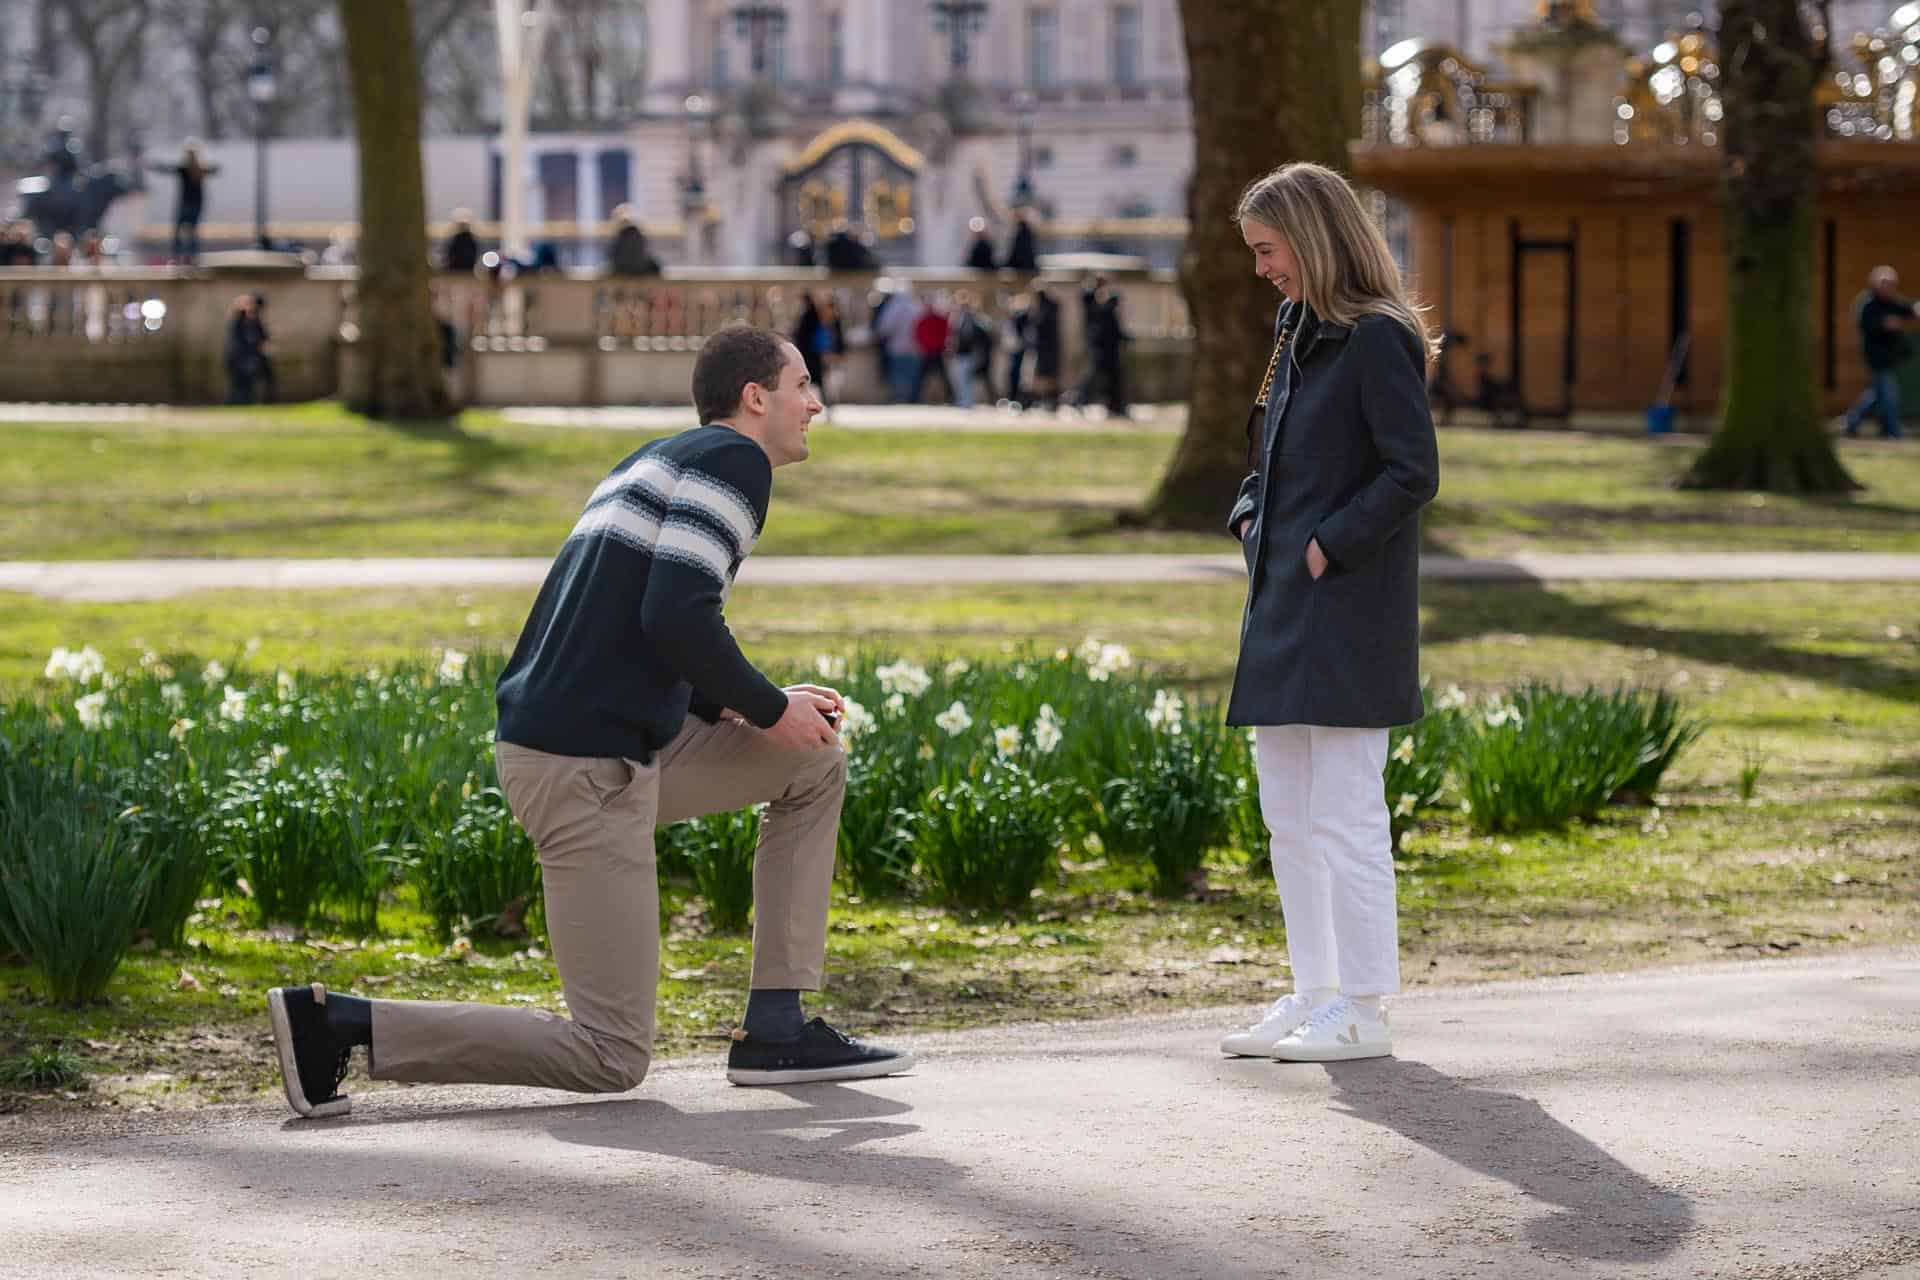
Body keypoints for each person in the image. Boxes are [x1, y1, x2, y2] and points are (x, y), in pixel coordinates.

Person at [264, 324, 914, 1119]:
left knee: (813, 761)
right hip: (583, 765)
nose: (814, 404)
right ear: (755, 397)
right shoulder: (734, 462)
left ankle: (778, 1023)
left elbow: (642, 627)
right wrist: (769, 709)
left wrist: (753, 705)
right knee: (610, 1053)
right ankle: (340, 1026)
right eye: (802, 385)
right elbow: (676, 614)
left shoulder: (655, 460)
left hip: (598, 746)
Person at [1218, 161, 1439, 1065]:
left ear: (1311, 238)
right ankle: (1315, 993)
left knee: (1347, 814)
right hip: (1282, 603)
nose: (1261, 269)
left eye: (1268, 249)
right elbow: (1270, 454)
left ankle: (1365, 1006)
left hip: (1347, 610)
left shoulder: (1377, 336)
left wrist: (1328, 546)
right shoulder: (1294, 328)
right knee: (1288, 815)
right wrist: (1249, 514)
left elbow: (1411, 470)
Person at [1843, 266, 1917, 441]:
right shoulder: (1868, 303)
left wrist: (1915, 308)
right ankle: (1894, 432)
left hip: (1889, 357)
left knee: (1876, 394)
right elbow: (1864, 323)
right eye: (1886, 284)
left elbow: (1908, 308)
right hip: (1875, 357)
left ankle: (1851, 423)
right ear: (1876, 284)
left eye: (1892, 284)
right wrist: (1884, 324)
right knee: (1888, 394)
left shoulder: (1892, 302)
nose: (1889, 287)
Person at [152, 142, 219, 265]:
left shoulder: (185, 169)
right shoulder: (200, 169)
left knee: (179, 233)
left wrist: (154, 165)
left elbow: (167, 169)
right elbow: (215, 169)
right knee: (192, 233)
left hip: (186, 205)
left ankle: (178, 258)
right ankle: (192, 259)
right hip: (196, 204)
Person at [948, 290, 994, 408]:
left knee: (966, 379)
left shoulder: (971, 319)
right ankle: (964, 400)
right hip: (962, 354)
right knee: (960, 380)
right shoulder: (959, 318)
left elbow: (970, 337)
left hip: (967, 353)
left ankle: (967, 402)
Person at [224, 294, 263, 404]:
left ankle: (246, 401)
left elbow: (261, 337)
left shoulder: (254, 321)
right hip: (237, 358)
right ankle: (235, 402)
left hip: (249, 358)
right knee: (238, 385)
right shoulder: (238, 321)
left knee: (248, 384)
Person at [608, 205, 663, 278]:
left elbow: (614, 257)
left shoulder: (622, 237)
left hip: (625, 271)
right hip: (638, 271)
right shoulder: (638, 236)